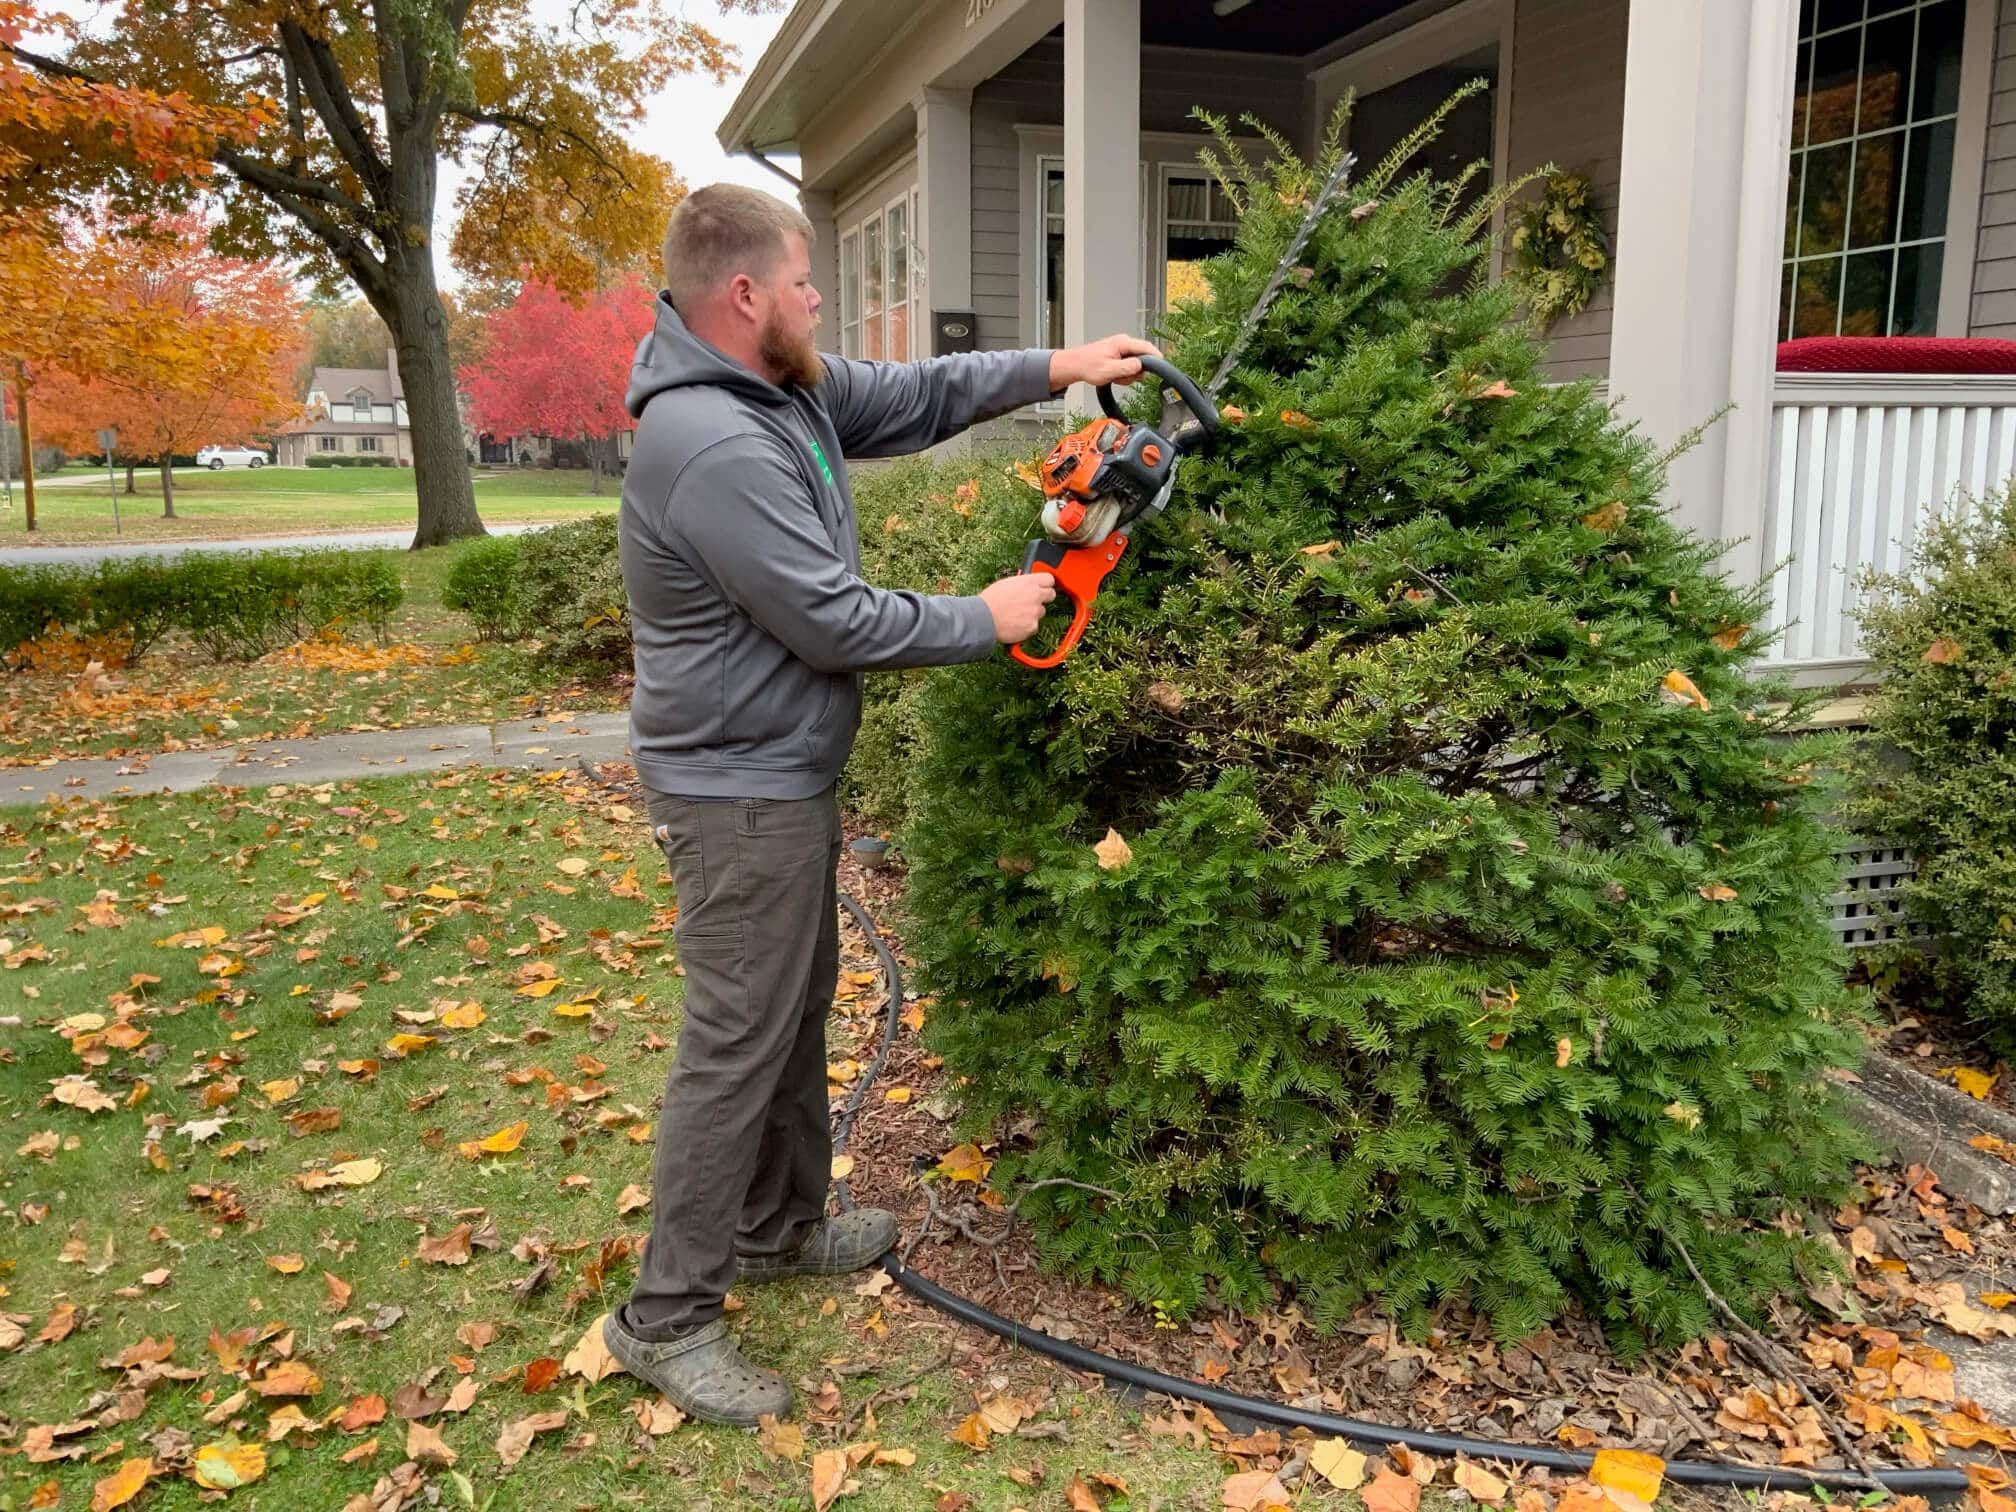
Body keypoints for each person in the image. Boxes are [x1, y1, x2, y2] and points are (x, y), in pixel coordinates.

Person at [603, 182, 1157, 1426]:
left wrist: (1061, 365)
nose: (819, 301)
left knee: (792, 1008)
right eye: (805, 283)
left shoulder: (777, 390)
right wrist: (988, 617)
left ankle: (777, 1225)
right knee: (732, 1044)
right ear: (744, 296)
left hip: (776, 772)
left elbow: (913, 397)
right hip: (733, 788)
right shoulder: (714, 442)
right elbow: (832, 618)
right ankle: (666, 1319)